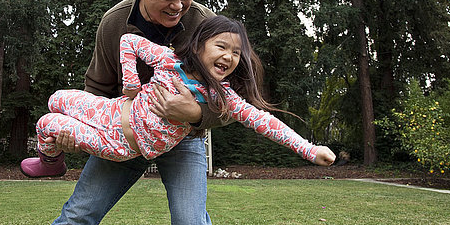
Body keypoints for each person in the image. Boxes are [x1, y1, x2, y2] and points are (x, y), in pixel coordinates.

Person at [26, 0, 224, 225]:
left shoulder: (205, 25)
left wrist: (194, 113)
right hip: (123, 134)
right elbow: (98, 90)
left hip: (183, 140)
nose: (178, 6)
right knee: (78, 215)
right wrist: (82, 131)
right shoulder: (115, 22)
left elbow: (231, 101)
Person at [21, 16, 336, 170]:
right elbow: (128, 41)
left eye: (236, 53)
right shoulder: (169, 60)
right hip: (111, 110)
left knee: (48, 124)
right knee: (56, 99)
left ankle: (51, 162)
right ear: (200, 46)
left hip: (118, 144)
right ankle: (52, 153)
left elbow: (266, 123)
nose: (229, 56)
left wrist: (310, 150)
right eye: (222, 47)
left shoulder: (223, 98)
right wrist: (131, 82)